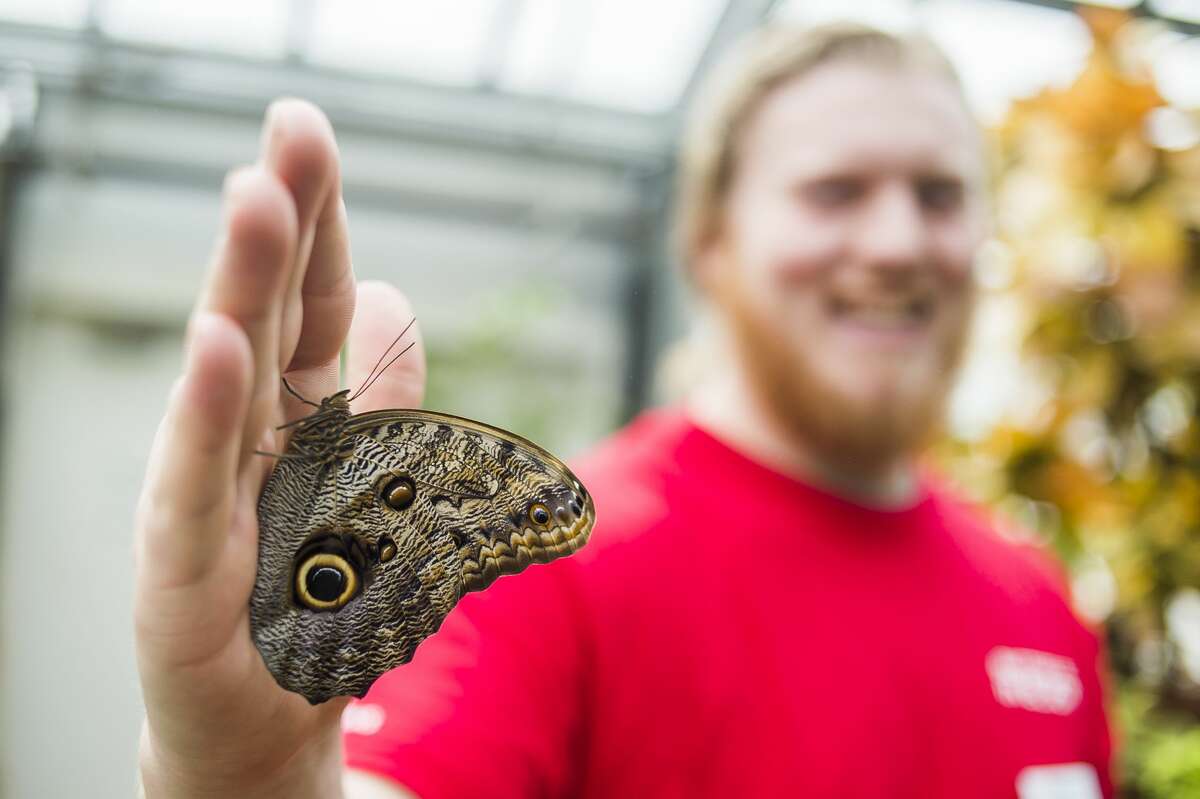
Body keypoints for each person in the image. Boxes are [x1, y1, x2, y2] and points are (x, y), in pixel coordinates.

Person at [133, 23, 1113, 799]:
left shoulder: (1042, 606)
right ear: (711, 241)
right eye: (835, 192)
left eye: (939, 195)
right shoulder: (541, 560)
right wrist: (252, 785)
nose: (898, 241)